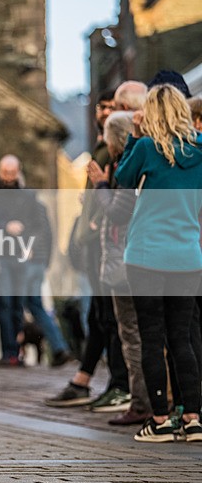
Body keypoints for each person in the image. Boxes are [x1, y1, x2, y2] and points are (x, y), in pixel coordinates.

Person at [115, 84, 202, 443]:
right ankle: (194, 419)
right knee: (183, 338)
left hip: (147, 255)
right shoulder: (199, 150)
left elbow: (122, 178)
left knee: (152, 338)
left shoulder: (148, 148)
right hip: (188, 256)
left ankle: (161, 419)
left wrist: (135, 136)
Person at [86, 111, 151, 426]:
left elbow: (117, 211)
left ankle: (142, 402)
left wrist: (100, 185)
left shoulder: (128, 170)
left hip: (127, 262)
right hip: (131, 260)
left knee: (133, 335)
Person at [0, 156, 73, 367]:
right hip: (2, 256)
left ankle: (20, 351)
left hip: (23, 257)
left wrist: (34, 248)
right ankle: (9, 352)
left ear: (18, 172)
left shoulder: (29, 197)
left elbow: (39, 226)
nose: (8, 177)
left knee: (19, 305)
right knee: (5, 303)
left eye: (12, 173)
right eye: (5, 172)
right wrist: (5, 225)